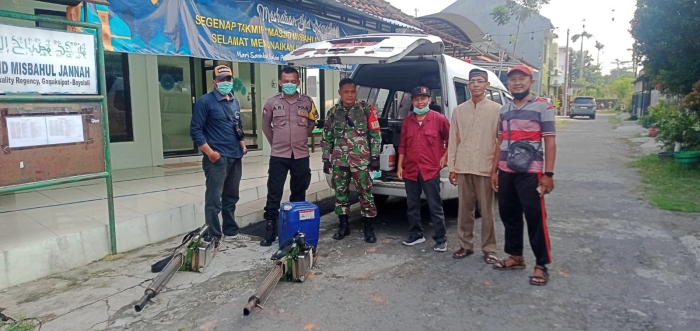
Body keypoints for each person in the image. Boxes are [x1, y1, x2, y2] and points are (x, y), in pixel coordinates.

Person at [491, 65, 557, 286]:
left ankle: (541, 264)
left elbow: (549, 141)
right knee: (509, 214)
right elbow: (500, 142)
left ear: (531, 82)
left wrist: (548, 174)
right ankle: (515, 256)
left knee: (535, 218)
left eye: (522, 79)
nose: (517, 83)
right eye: (513, 79)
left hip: (531, 173)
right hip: (506, 171)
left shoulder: (543, 107)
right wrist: (494, 170)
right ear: (508, 83)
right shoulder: (504, 109)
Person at [258, 67, 318, 246]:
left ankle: (296, 228)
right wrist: (276, 142)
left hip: (300, 154)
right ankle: (270, 229)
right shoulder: (272, 103)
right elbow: (266, 126)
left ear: (298, 82)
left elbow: (312, 122)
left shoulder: (307, 102)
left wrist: (300, 139)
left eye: (293, 81)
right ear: (280, 82)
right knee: (274, 192)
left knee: (299, 191)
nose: (289, 84)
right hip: (279, 155)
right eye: (286, 81)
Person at [447, 69, 501, 263]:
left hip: (485, 167)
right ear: (468, 85)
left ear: (487, 85)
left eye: (480, 81)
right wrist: (452, 167)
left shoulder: (497, 110)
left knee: (487, 211)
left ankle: (489, 248)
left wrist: (496, 169)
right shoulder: (459, 110)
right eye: (472, 81)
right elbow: (453, 140)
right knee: (464, 209)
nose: (476, 85)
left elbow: (500, 142)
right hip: (463, 166)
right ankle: (465, 245)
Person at [190, 64, 249, 242]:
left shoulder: (234, 100)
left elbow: (238, 126)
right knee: (214, 198)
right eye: (222, 79)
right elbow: (195, 131)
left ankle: (230, 228)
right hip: (217, 158)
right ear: (214, 81)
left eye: (228, 79)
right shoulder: (205, 102)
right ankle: (213, 233)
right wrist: (210, 153)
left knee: (231, 196)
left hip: (235, 155)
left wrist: (243, 144)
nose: (226, 82)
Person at [321, 78, 381, 244]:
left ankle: (368, 228)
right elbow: (327, 137)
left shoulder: (366, 110)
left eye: (352, 91)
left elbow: (375, 134)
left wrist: (375, 157)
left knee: (365, 193)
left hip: (360, 160)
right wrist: (326, 159)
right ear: (340, 92)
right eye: (346, 92)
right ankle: (343, 225)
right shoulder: (333, 113)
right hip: (340, 161)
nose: (349, 95)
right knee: (341, 194)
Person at [397, 86, 450, 252]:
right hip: (411, 169)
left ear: (430, 100)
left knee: (435, 206)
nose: (420, 102)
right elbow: (403, 145)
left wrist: (445, 156)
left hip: (430, 169)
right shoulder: (408, 120)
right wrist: (400, 166)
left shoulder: (439, 119)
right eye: (416, 99)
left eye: (423, 99)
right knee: (412, 205)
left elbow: (452, 139)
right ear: (412, 102)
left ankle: (440, 239)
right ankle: (416, 234)